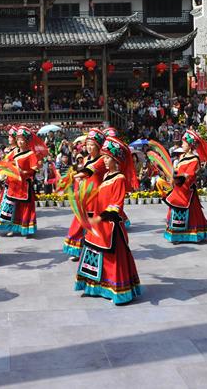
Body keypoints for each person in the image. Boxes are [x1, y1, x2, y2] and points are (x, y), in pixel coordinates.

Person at [74, 136, 141, 305]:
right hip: (99, 224)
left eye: (107, 158)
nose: (103, 160)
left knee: (112, 260)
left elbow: (116, 205)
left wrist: (99, 217)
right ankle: (96, 288)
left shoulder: (119, 179)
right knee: (95, 255)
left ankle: (117, 291)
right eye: (103, 157)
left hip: (111, 225)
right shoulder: (106, 176)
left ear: (116, 160)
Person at [164, 130, 207, 243]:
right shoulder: (182, 156)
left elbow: (190, 175)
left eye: (184, 143)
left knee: (191, 213)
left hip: (187, 190)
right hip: (178, 188)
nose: (182, 144)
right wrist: (173, 176)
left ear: (190, 145)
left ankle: (188, 235)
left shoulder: (194, 159)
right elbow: (178, 170)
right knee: (175, 210)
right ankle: (176, 235)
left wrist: (179, 178)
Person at [63, 128, 107, 260]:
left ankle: (94, 250)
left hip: (96, 196)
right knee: (80, 222)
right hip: (84, 195)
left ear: (98, 146)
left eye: (92, 144)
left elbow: (88, 172)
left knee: (92, 223)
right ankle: (78, 250)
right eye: (87, 144)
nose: (88, 147)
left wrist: (73, 176)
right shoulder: (87, 158)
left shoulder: (102, 160)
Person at [0, 126, 44, 237]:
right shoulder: (14, 151)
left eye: (22, 140)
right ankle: (10, 227)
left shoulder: (30, 154)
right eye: (18, 139)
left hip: (24, 184)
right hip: (13, 184)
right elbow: (6, 162)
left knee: (24, 207)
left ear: (27, 141)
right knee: (11, 207)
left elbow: (33, 170)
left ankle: (26, 228)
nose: (20, 142)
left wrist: (23, 172)